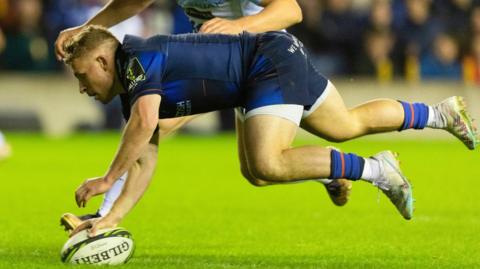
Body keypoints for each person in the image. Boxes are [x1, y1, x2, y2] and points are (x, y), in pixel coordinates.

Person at [60, 26, 478, 235]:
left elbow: (145, 125)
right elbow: (145, 153)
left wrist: (105, 179)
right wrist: (110, 218)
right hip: (269, 59)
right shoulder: (134, 85)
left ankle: (375, 170)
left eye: (81, 76)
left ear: (101, 62)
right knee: (341, 126)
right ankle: (441, 114)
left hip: (265, 64)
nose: (81, 87)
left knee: (267, 162)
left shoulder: (134, 60)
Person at [55, 0, 353, 217]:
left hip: (256, 60)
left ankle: (105, 214)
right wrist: (85, 29)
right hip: (213, 67)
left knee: (150, 123)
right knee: (257, 174)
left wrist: (238, 27)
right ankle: (330, 170)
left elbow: (291, 10)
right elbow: (131, 3)